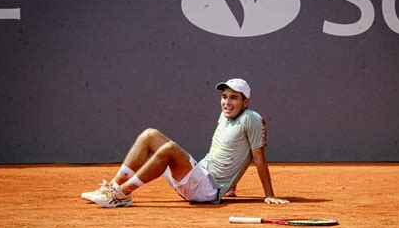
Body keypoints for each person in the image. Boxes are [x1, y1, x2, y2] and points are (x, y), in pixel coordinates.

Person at [81, 78, 289, 207]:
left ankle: (121, 194)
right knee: (149, 134)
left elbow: (257, 157)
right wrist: (233, 186)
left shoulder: (251, 118)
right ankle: (112, 187)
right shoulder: (225, 115)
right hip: (199, 177)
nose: (227, 102)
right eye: (224, 96)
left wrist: (269, 195)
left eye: (234, 98)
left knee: (170, 149)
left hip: (208, 190)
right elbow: (228, 151)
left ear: (246, 102)